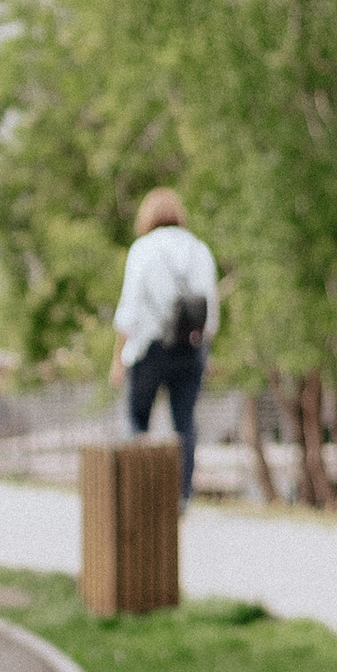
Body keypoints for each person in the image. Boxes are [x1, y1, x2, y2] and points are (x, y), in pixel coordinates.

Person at [113, 186, 220, 503]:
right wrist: (204, 351)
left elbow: (128, 311)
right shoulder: (199, 250)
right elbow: (211, 313)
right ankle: (181, 498)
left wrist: (118, 359)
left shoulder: (143, 249)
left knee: (135, 419)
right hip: (190, 348)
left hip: (150, 348)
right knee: (184, 423)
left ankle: (136, 494)